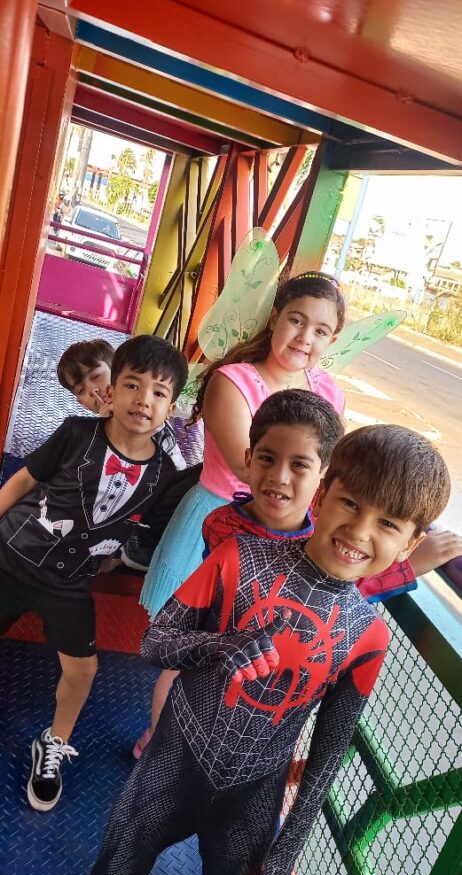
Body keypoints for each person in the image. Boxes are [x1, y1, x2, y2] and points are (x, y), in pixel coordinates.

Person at [66, 422, 450, 875]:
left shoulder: (369, 635)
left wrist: (289, 847)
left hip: (253, 795)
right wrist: (222, 647)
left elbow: (327, 754)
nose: (359, 532)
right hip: (171, 763)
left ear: (411, 544)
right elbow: (155, 643)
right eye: (350, 504)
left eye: (387, 523)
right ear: (322, 495)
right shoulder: (238, 557)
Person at [134, 271, 346, 755]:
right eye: (296, 320)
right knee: (189, 654)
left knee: (255, 652)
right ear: (275, 318)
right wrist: (310, 484)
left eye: (320, 330)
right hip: (219, 525)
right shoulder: (233, 380)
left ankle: (207, 748)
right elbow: (247, 468)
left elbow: (335, 464)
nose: (305, 337)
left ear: (331, 339)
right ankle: (158, 747)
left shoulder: (329, 391)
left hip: (285, 536)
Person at [0, 335, 188, 812]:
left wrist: (118, 556)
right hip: (12, 554)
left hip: (68, 583)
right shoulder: (76, 432)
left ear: (170, 408)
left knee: (83, 669)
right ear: (114, 390)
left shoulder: (166, 472)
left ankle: (54, 744)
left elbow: (147, 529)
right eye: (132, 385)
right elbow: (25, 479)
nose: (143, 399)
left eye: (159, 392)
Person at [57, 337, 201, 569]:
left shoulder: (145, 413)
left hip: (164, 502)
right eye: (81, 390)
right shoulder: (83, 432)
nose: (93, 390)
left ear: (117, 372)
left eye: (96, 376)